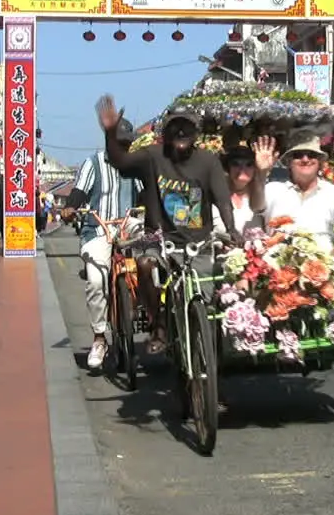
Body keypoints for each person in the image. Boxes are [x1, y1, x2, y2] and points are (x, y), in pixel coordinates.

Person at [96, 94, 236, 355]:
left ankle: (208, 369)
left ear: (196, 132)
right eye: (175, 127)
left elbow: (223, 200)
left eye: (186, 127)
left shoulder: (208, 161)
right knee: (145, 264)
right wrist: (110, 134)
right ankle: (157, 325)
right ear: (166, 132)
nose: (181, 131)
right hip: (158, 238)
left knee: (206, 304)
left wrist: (232, 229)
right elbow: (121, 162)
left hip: (199, 243)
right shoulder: (152, 156)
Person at [261, 135, 334, 335]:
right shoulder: (273, 190)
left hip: (323, 260)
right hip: (280, 258)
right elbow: (256, 204)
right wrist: (261, 173)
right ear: (288, 162)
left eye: (311, 155)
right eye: (298, 155)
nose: (305, 159)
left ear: (320, 162)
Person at [60, 119, 143, 371]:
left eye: (127, 143)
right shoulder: (93, 163)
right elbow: (79, 192)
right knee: (96, 280)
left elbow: (146, 192)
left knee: (152, 257)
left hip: (130, 223)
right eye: (119, 143)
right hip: (99, 227)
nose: (124, 148)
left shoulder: (136, 164)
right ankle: (99, 338)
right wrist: (70, 208)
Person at [212, 137, 275, 235]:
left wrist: (262, 172)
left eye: (249, 164)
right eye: (236, 164)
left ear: (255, 168)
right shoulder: (215, 195)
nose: (242, 169)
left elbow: (259, 207)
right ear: (228, 168)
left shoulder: (266, 193)